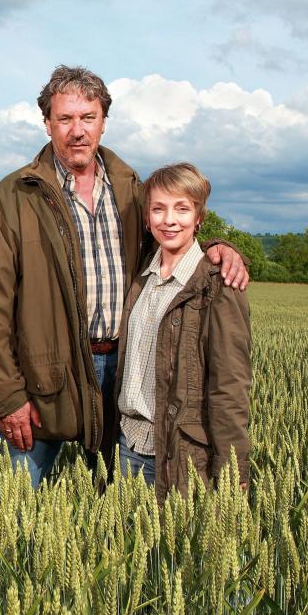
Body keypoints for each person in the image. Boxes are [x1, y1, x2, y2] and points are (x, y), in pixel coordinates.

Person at [0, 65, 249, 488]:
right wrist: (7, 396)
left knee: (120, 510)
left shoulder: (131, 188)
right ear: (48, 124)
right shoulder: (12, 198)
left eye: (88, 118)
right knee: (9, 503)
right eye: (65, 119)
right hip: (46, 377)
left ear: (103, 121)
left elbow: (171, 234)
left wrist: (215, 249)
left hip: (127, 372)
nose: (77, 131)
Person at [114, 163, 252, 500]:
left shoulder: (218, 287)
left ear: (199, 216)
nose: (169, 219)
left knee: (172, 553)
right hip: (126, 445)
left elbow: (230, 385)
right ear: (147, 219)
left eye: (182, 208)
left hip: (179, 455)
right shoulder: (140, 276)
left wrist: (234, 469)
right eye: (158, 209)